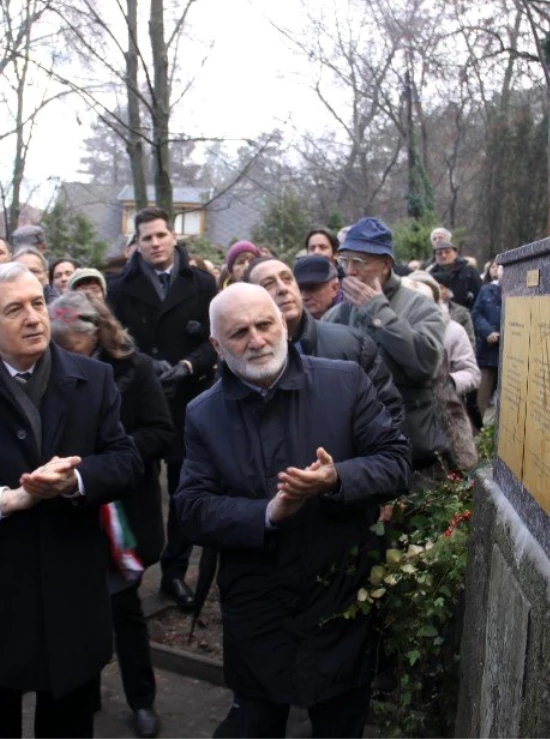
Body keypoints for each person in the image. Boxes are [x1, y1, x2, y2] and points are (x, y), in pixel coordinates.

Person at [0, 261, 142, 739]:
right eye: (14, 310)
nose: (35, 317)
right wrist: (7, 500)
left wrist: (75, 483)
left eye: (38, 303)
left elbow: (126, 461)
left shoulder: (93, 379)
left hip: (72, 595)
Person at [175, 283, 410, 737]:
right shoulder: (204, 413)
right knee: (257, 722)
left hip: (342, 597)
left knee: (340, 722)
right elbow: (191, 508)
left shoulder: (344, 381)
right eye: (239, 332)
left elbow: (396, 461)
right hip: (259, 605)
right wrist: (267, 513)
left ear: (283, 323)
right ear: (217, 347)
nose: (257, 340)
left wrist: (336, 478)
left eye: (265, 324)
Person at [49, 291, 172, 739]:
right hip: (71, 508)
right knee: (78, 608)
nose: (63, 351)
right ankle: (85, 689)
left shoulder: (135, 369)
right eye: (57, 342)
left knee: (124, 609)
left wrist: (108, 458)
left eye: (71, 342)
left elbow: (161, 431)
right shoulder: (49, 366)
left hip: (121, 508)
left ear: (96, 332)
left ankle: (142, 699)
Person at [106, 208, 218, 611]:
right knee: (139, 487)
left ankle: (174, 571)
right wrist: (141, 362)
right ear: (136, 243)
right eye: (146, 237)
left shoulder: (202, 283)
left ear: (173, 237)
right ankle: (134, 565)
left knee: (184, 488)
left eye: (160, 235)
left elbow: (215, 338)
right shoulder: (118, 288)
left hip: (189, 399)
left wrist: (189, 365)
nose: (154, 243)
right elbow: (112, 337)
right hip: (140, 402)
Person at [323, 217, 453, 479]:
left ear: (386, 264)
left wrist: (378, 311)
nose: (350, 272)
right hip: (354, 452)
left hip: (410, 453)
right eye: (345, 261)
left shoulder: (421, 306)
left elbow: (424, 364)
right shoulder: (336, 315)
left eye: (359, 262)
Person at [247, 256, 403, 426]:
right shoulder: (243, 356)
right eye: (268, 284)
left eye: (287, 279)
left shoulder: (354, 345)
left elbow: (389, 419)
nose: (283, 288)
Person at [403, 275, 479, 470]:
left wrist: (447, 384)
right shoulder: (397, 332)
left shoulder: (453, 331)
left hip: (443, 418)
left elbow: (471, 373)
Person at [472, 265, 503, 423]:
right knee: (481, 396)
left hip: (510, 353)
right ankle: (475, 433)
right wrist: (488, 332)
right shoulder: (486, 290)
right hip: (488, 350)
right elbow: (476, 314)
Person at [430, 237, 482, 310]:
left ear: (455, 253)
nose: (443, 256)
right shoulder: (431, 275)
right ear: (435, 256)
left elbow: (479, 295)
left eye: (447, 252)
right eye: (439, 253)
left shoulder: (469, 271)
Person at [292, 255, 341, 320]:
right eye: (298, 289)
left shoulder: (352, 316)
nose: (303, 297)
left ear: (334, 288)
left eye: (312, 288)